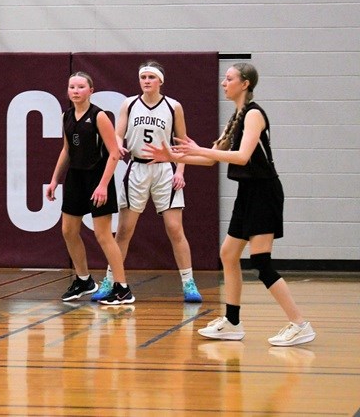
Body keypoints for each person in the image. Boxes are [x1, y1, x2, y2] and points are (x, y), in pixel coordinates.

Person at [144, 63, 316, 346]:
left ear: (245, 83)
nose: (224, 83)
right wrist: (171, 158)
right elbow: (211, 159)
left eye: (229, 79)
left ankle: (300, 324)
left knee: (261, 262)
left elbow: (243, 156)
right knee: (228, 254)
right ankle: (233, 322)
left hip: (264, 192)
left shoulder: (254, 114)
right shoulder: (235, 118)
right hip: (247, 192)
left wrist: (198, 149)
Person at [90, 61, 202, 303]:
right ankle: (112, 280)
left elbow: (183, 143)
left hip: (164, 170)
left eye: (152, 77)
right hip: (137, 168)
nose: (147, 81)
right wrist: (118, 143)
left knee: (175, 228)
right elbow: (118, 133)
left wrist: (180, 171)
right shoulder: (129, 104)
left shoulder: (174, 106)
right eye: (143, 77)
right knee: (124, 231)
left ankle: (188, 282)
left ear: (161, 81)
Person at [45, 72, 135, 306]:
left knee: (103, 234)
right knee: (68, 230)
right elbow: (66, 150)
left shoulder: (100, 116)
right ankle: (84, 280)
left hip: (98, 176)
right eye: (72, 86)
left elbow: (114, 152)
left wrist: (104, 184)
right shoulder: (66, 116)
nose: (75, 90)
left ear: (91, 90)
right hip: (75, 176)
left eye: (81, 86)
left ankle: (123, 287)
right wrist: (55, 179)